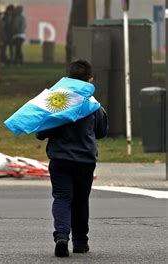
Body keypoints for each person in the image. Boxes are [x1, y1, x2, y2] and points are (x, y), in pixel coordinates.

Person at [36, 60, 108, 257]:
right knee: (81, 200)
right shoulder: (93, 105)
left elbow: (41, 132)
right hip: (85, 161)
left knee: (62, 197)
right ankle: (80, 242)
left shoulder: (57, 103)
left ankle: (61, 237)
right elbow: (101, 131)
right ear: (90, 80)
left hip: (60, 159)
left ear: (67, 79)